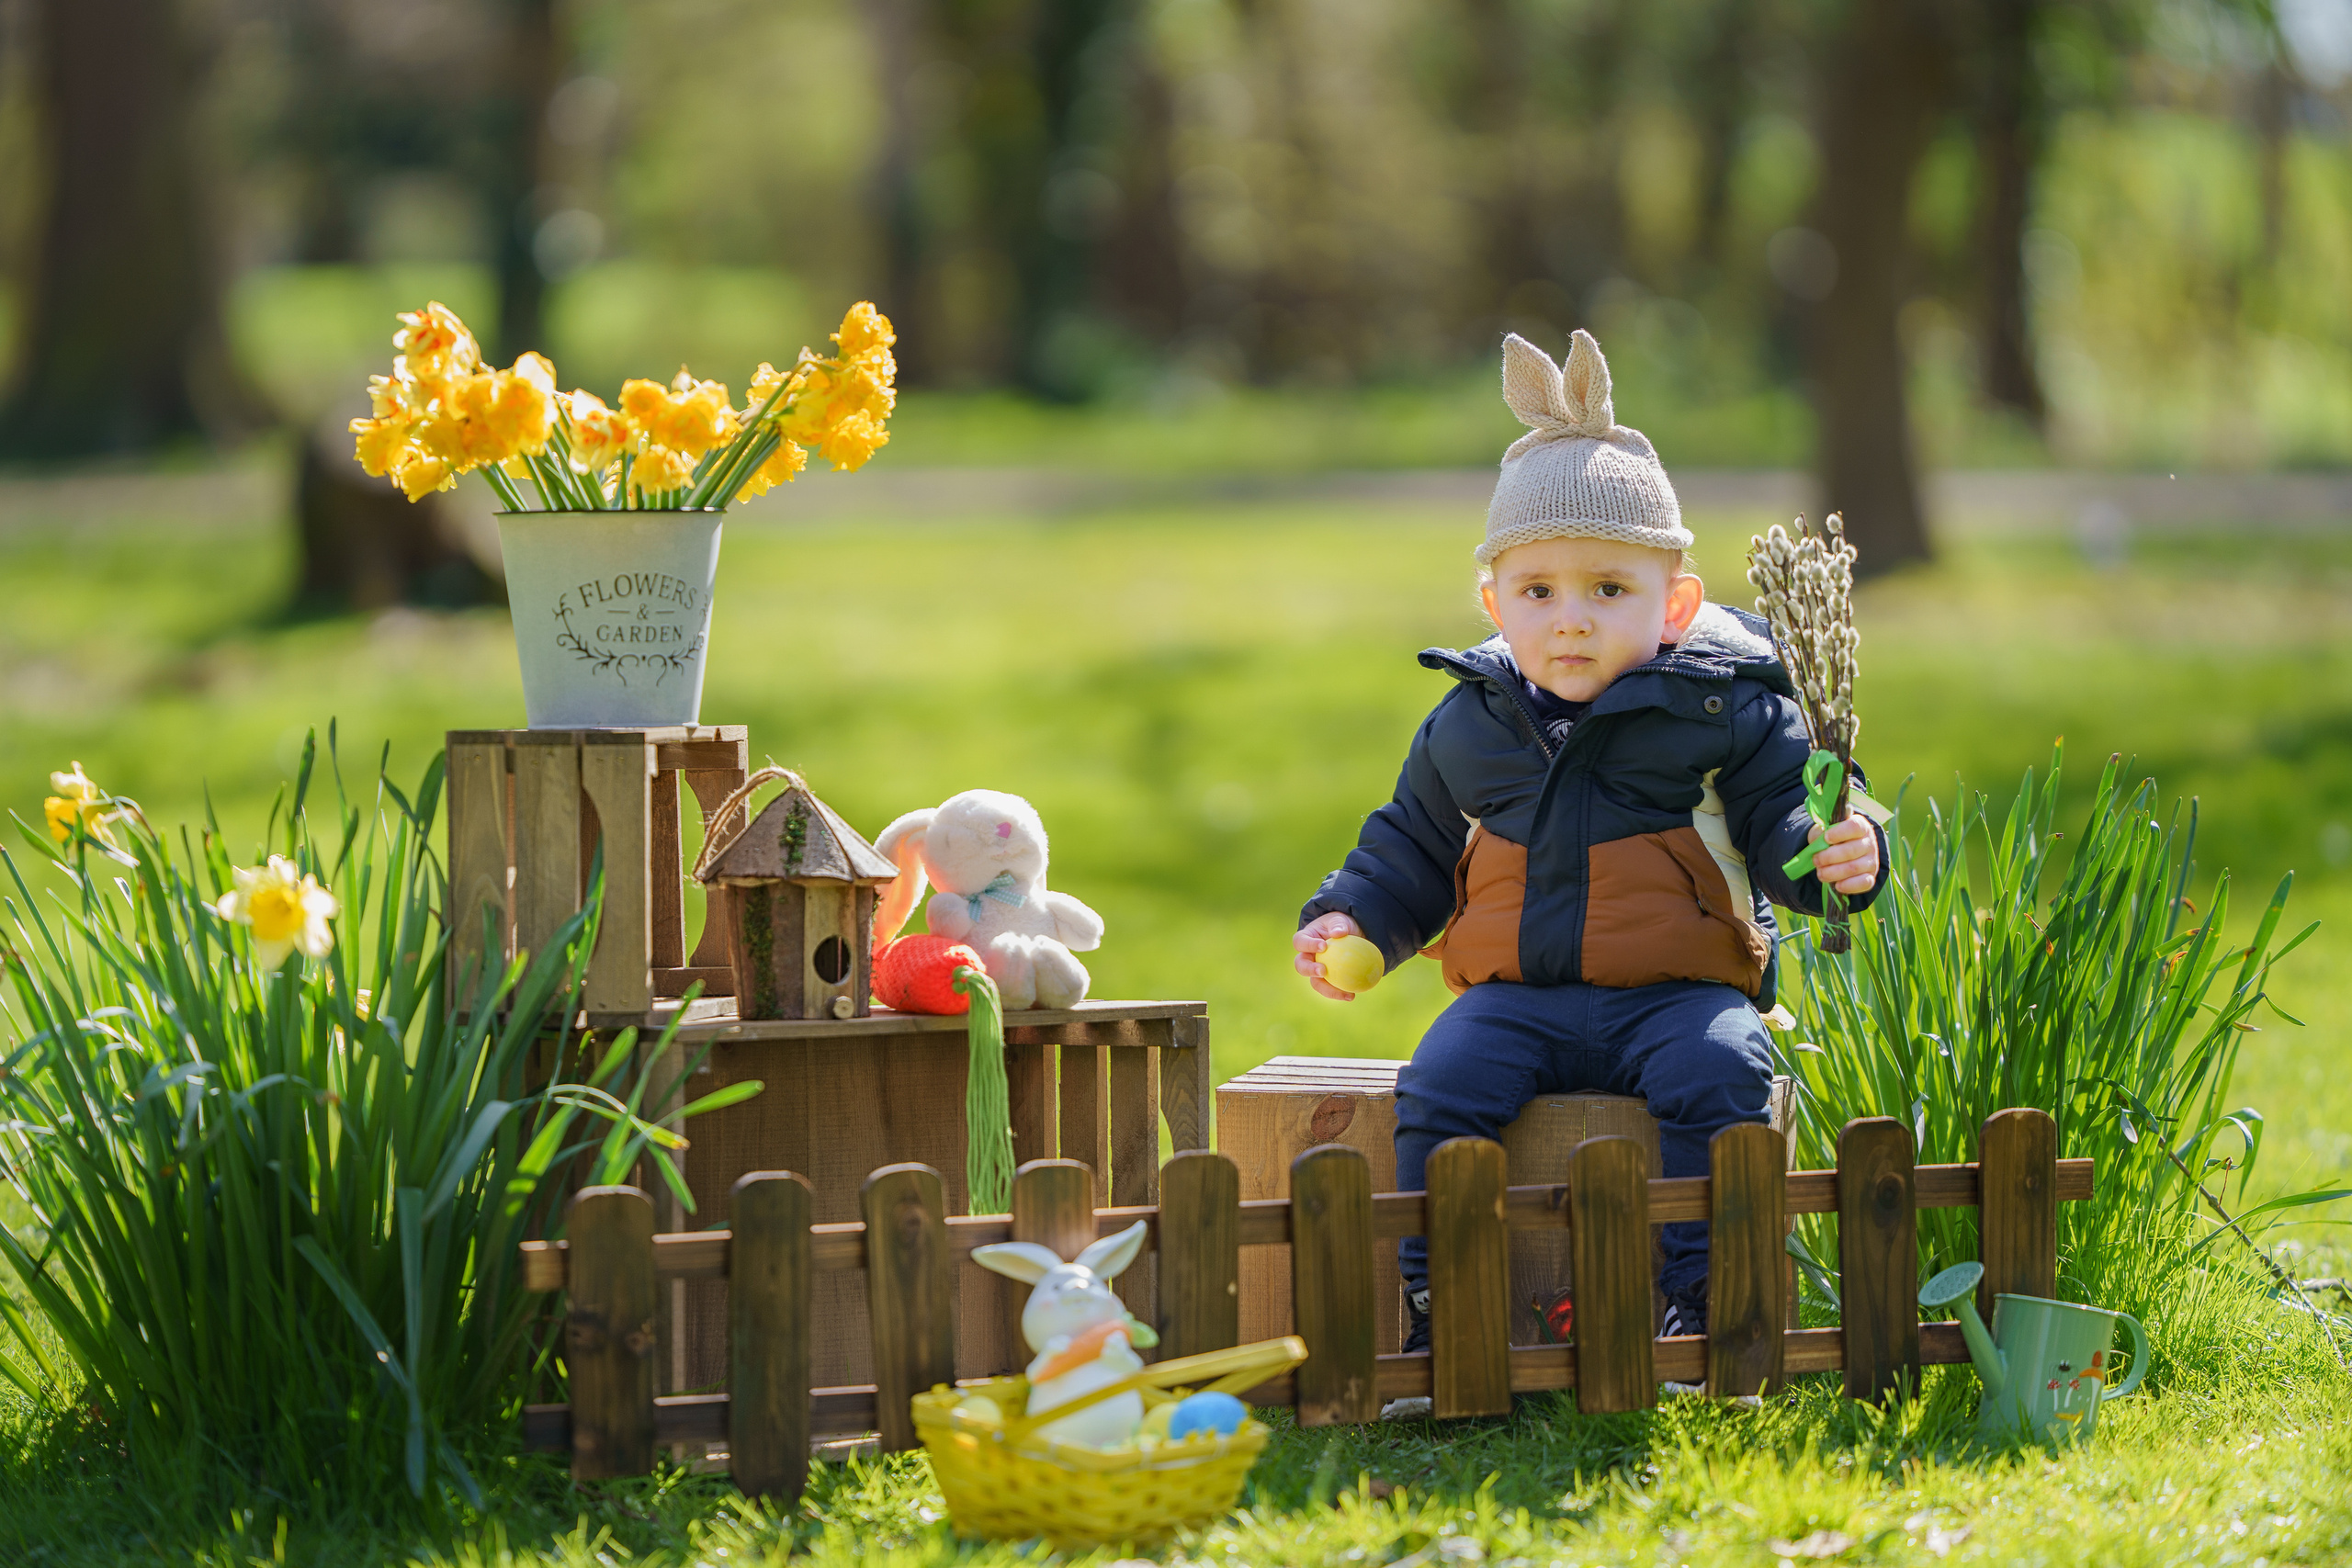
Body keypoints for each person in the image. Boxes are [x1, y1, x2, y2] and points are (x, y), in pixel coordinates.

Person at [1292, 328, 1885, 1362]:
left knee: (1723, 1075)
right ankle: (1448, 1299)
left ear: (1676, 605)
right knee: (1441, 1083)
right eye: (1538, 593)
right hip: (1516, 998)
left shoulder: (1721, 708)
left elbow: (1789, 810)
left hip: (1678, 991)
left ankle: (1699, 1299)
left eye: (1609, 591)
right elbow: (1411, 847)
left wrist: (1835, 853)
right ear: (1493, 603)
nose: (1571, 621)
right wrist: (1354, 918)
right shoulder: (1469, 723)